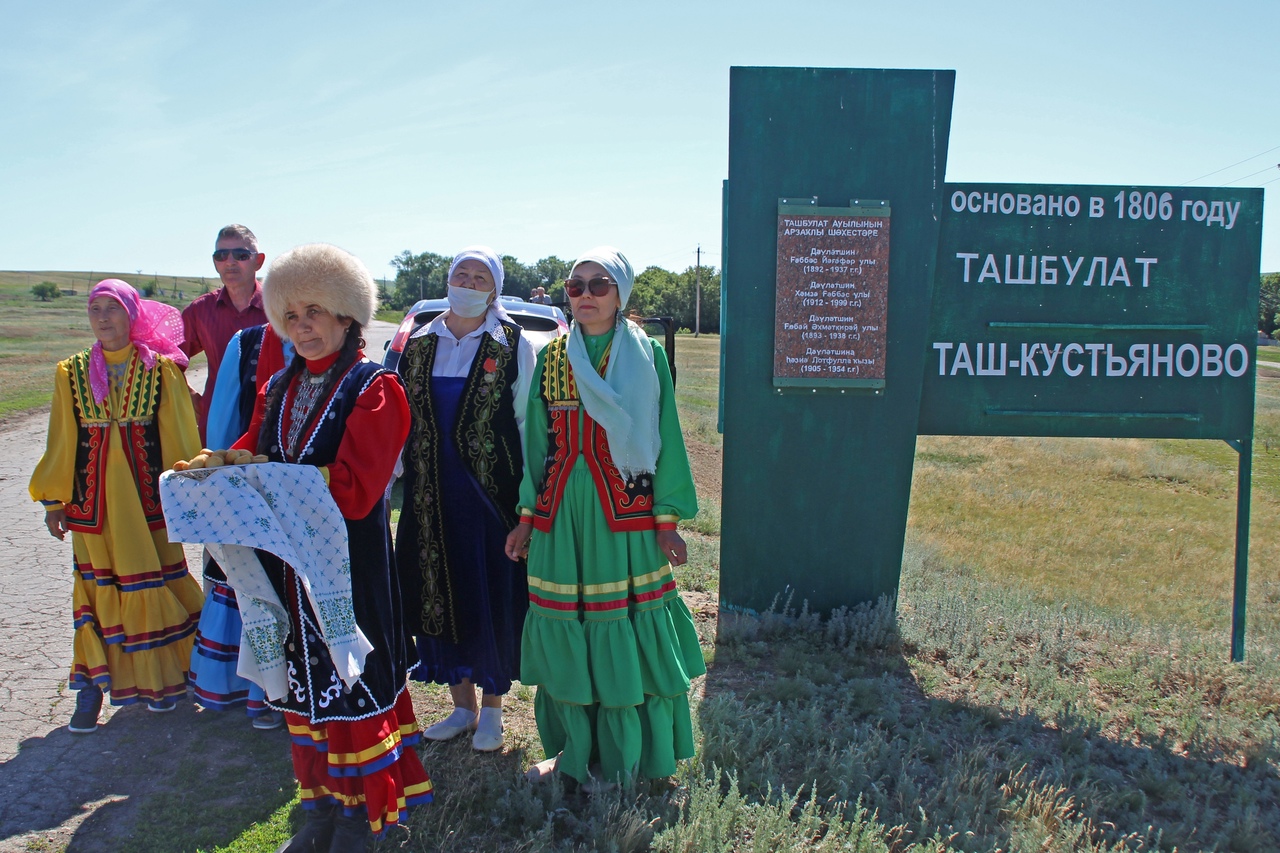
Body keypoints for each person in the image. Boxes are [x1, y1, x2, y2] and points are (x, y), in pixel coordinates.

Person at [231, 243, 431, 852]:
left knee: (350, 682)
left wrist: (268, 477)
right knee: (302, 684)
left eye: (315, 311)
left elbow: (357, 489)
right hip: (286, 567)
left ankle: (361, 817)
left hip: (347, 564)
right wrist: (223, 466)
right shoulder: (280, 385)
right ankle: (318, 803)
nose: (303, 327)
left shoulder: (377, 390)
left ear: (347, 316)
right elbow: (253, 447)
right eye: (291, 316)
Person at [504, 247, 705, 789]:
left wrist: (668, 517)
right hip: (562, 514)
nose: (586, 295)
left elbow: (666, 438)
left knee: (624, 630)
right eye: (576, 286)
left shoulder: (645, 355)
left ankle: (628, 760)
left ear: (621, 295)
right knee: (570, 628)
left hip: (627, 516)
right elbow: (536, 445)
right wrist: (527, 515)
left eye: (600, 286)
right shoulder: (553, 358)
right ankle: (574, 753)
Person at [30, 279, 204, 732]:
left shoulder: (161, 369)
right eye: (96, 309)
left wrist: (188, 495)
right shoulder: (70, 372)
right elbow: (63, 438)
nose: (104, 317)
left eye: (114, 308)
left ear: (133, 313)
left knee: (159, 586)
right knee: (96, 594)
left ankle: (168, 680)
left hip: (149, 506)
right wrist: (53, 500)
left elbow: (179, 438)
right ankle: (90, 691)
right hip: (93, 508)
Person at [395, 246, 536, 753]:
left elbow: (524, 423)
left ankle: (494, 711)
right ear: (448, 280)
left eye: (480, 278)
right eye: (462, 274)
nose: (469, 284)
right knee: (438, 591)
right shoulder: (419, 341)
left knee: (488, 592)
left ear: (494, 290)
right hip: (430, 494)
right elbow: (401, 419)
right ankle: (461, 707)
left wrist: (527, 501)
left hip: (489, 496)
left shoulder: (512, 343)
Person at [186, 322, 291, 730]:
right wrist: (222, 480)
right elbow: (225, 417)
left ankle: (291, 692)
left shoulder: (332, 333)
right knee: (252, 583)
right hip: (246, 482)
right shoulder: (247, 342)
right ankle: (258, 692)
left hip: (297, 486)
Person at [181, 224, 269, 440]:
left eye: (241, 254)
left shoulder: (279, 306)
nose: (230, 261)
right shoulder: (200, 310)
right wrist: (192, 397)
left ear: (258, 261)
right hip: (216, 421)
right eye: (221, 255)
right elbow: (170, 361)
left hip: (270, 418)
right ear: (215, 262)